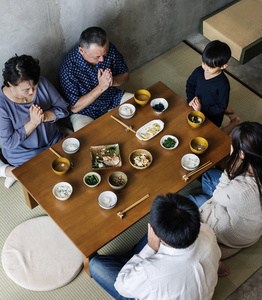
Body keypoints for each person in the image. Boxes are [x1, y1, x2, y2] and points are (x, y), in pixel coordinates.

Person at [89, 193, 221, 300]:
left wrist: (150, 248)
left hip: (147, 278)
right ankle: (132, 259)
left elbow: (121, 287)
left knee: (95, 265)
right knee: (142, 251)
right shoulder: (207, 231)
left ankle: (132, 260)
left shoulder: (149, 274)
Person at [186, 122, 262, 275]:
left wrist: (230, 169)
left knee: (185, 201)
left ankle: (213, 255)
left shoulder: (242, 189)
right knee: (208, 175)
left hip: (235, 233)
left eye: (232, 144)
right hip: (253, 222)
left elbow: (217, 196)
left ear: (241, 153)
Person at [0, 54, 69, 188]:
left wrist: (45, 116)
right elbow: (7, 143)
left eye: (35, 86)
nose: (32, 92)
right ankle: (10, 172)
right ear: (10, 84)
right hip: (24, 154)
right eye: (26, 89)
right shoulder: (2, 105)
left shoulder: (42, 83)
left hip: (53, 141)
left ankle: (15, 174)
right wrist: (33, 123)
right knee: (47, 184)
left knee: (72, 168)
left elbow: (64, 109)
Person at [60, 26, 132, 132]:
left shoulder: (109, 49)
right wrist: (101, 87)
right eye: (97, 57)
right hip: (85, 111)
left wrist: (112, 82)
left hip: (112, 98)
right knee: (87, 140)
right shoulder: (68, 68)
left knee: (140, 108)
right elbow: (74, 107)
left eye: (105, 54)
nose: (102, 59)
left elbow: (125, 76)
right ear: (81, 50)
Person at [186, 40, 240, 134]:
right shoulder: (199, 71)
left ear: (223, 66)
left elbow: (221, 106)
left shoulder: (223, 84)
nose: (205, 68)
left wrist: (201, 108)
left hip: (212, 115)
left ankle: (234, 122)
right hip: (195, 106)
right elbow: (190, 85)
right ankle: (227, 110)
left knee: (214, 135)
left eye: (211, 67)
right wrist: (191, 99)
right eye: (204, 63)